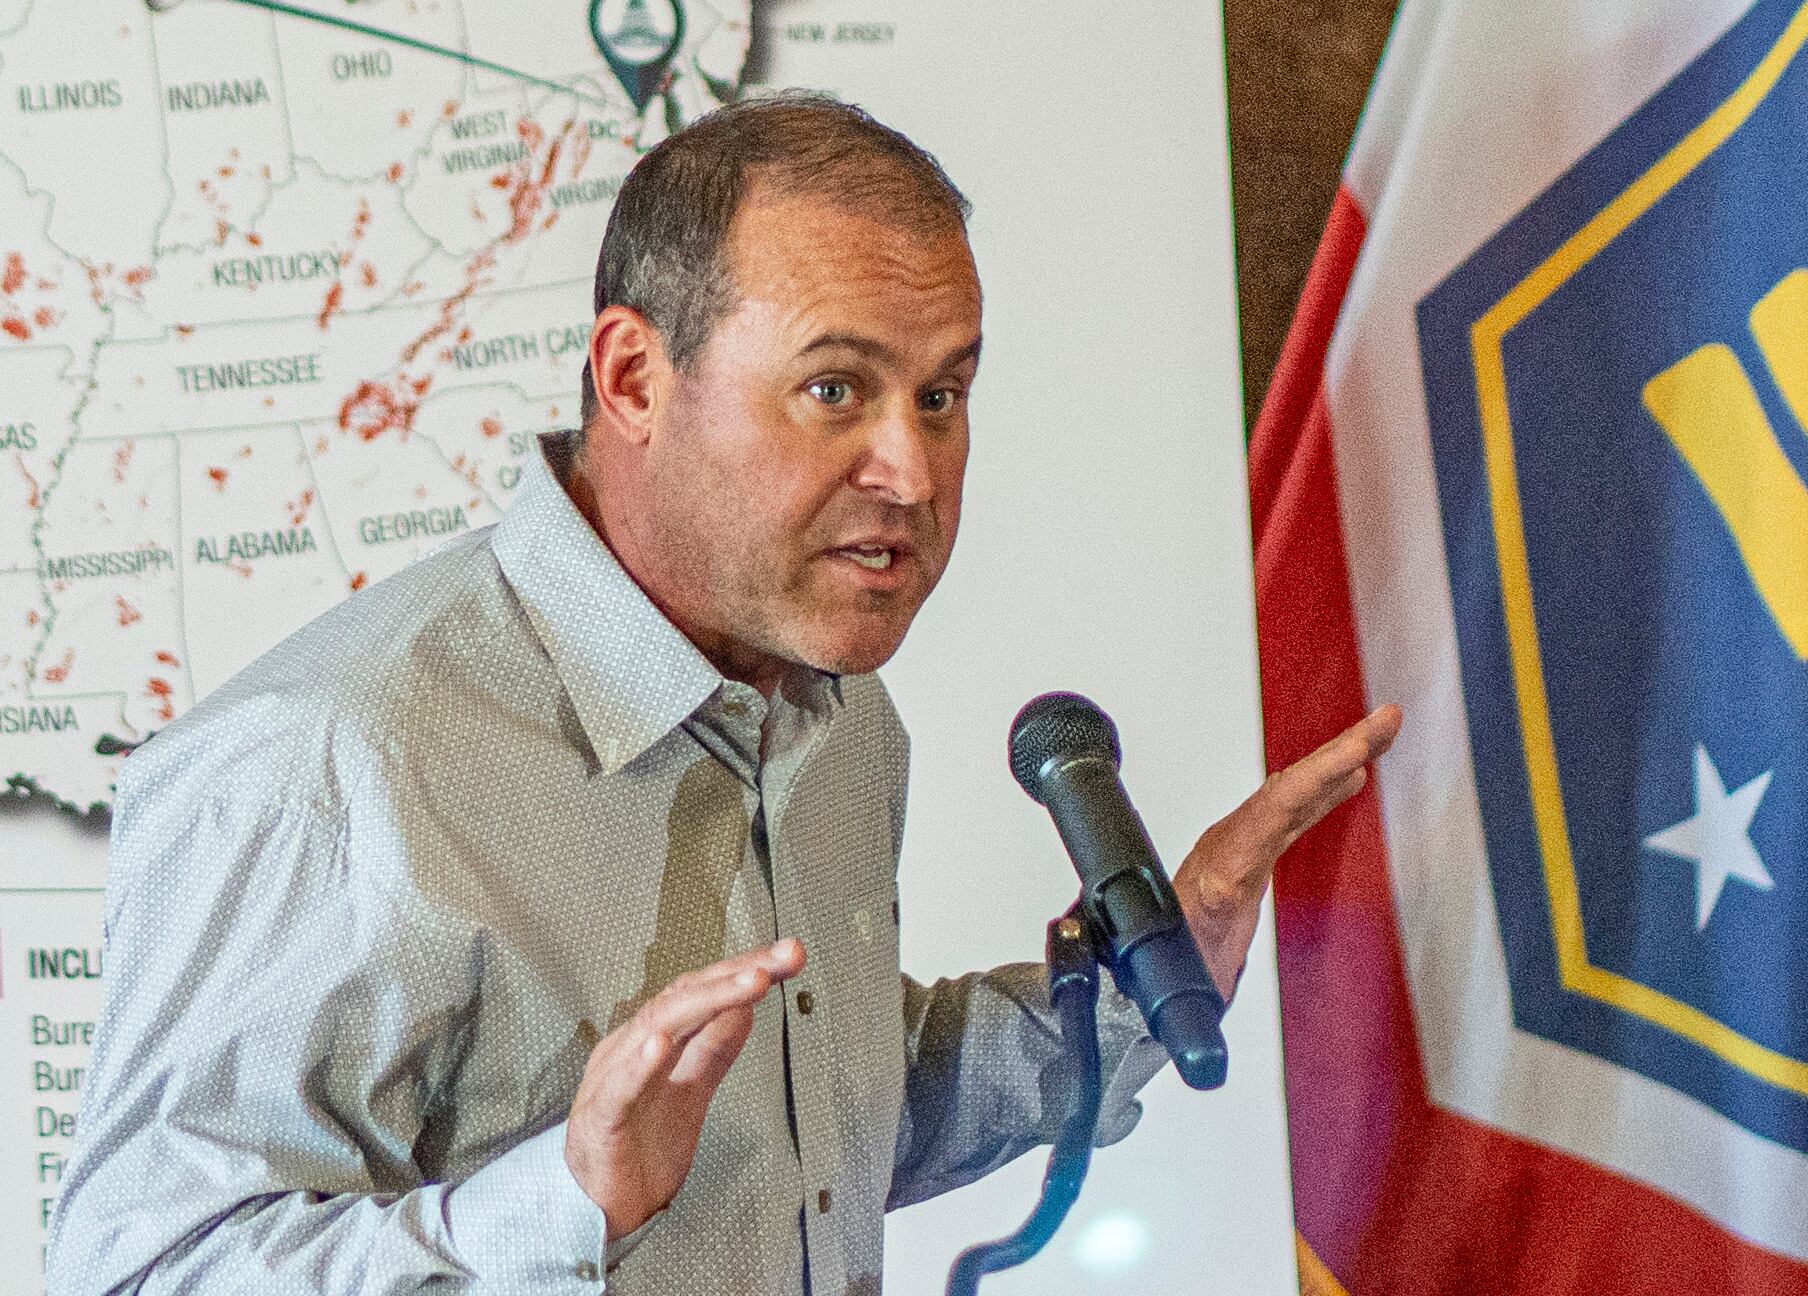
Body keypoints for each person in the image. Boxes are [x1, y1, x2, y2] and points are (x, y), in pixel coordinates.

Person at [47, 94, 1399, 1294]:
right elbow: (142, 1270)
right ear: (635, 378)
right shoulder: (325, 764)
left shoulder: (836, 716)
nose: (914, 474)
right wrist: (563, 1209)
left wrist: (1131, 994)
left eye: (941, 395)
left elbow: (820, 1127)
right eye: (833, 387)